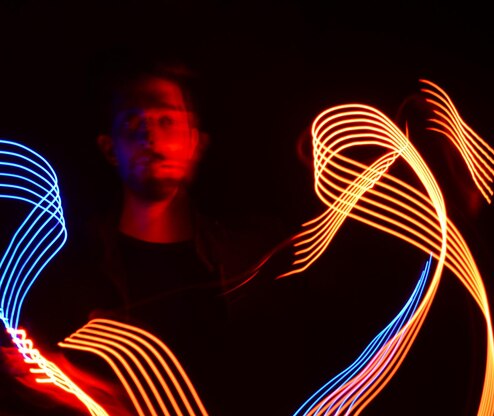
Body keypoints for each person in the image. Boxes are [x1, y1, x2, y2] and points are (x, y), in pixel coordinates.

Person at [1, 48, 289, 415]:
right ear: (109, 149)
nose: (149, 136)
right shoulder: (68, 276)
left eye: (166, 120)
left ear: (195, 141)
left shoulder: (255, 259)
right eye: (133, 124)